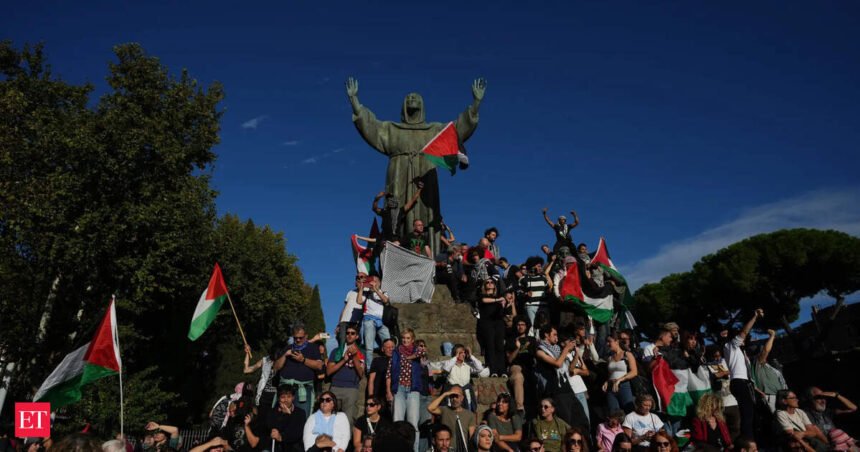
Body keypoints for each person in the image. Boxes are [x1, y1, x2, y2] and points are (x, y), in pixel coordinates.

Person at [536, 326, 587, 429]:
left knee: (581, 420)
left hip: (568, 389)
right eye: (554, 334)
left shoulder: (557, 349)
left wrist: (576, 354)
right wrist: (566, 349)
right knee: (566, 422)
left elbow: (569, 368)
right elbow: (557, 364)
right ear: (546, 335)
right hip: (556, 392)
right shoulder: (540, 351)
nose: (557, 337)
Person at [724, 308, 764, 440]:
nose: (745, 338)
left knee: (752, 415)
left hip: (746, 383)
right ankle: (747, 442)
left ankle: (752, 441)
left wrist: (755, 388)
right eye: (741, 337)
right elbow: (744, 331)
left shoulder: (742, 352)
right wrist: (755, 317)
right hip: (738, 382)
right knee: (747, 415)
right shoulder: (731, 346)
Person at [387, 328, 427, 450]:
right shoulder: (396, 352)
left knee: (413, 422)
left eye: (408, 338)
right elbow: (389, 373)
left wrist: (410, 357)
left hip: (413, 389)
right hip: (399, 388)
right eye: (403, 338)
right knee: (397, 421)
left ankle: (414, 449)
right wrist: (388, 391)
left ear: (412, 339)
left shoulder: (417, 350)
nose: (405, 340)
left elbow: (422, 351)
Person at [274, 325, 324, 416]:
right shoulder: (288, 348)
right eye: (295, 338)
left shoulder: (313, 348)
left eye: (300, 338)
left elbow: (319, 366)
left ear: (306, 336)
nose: (297, 340)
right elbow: (276, 367)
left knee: (302, 417)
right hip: (285, 390)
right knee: (281, 416)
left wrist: (303, 360)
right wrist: (285, 355)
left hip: (303, 390)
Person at [326, 324, 365, 425]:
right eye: (347, 333)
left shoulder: (361, 353)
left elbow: (361, 373)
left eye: (353, 333)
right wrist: (344, 360)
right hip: (335, 387)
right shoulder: (336, 351)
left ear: (357, 336)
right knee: (330, 419)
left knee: (349, 421)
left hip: (351, 389)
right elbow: (329, 371)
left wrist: (355, 356)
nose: (349, 335)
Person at [804, 386, 858, 451]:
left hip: (841, 446)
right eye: (819, 398)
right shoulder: (805, 414)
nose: (823, 401)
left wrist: (837, 395)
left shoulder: (827, 412)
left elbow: (853, 408)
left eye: (824, 398)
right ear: (810, 399)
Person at [427, 386, 476, 452]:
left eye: (456, 396)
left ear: (462, 398)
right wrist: (445, 394)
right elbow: (430, 408)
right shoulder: (444, 410)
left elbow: (471, 437)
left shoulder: (469, 415)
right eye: (452, 396)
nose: (454, 399)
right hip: (446, 449)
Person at [357, 275, 390, 369]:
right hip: (368, 319)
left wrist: (375, 289)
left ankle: (390, 365)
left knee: (388, 342)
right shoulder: (367, 293)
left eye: (375, 281)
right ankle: (369, 369)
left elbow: (385, 300)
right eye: (371, 280)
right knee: (369, 347)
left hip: (380, 321)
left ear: (379, 283)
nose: (372, 282)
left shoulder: (383, 292)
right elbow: (359, 301)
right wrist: (361, 288)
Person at [750, 329, 787, 413]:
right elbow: (766, 350)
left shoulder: (770, 366)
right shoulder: (757, 363)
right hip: (772, 397)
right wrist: (772, 336)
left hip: (782, 396)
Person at [506, 315, 537, 416]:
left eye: (522, 324)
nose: (520, 326)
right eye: (518, 324)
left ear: (526, 326)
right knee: (518, 376)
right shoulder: (511, 340)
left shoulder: (532, 340)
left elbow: (536, 355)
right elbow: (510, 360)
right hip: (516, 366)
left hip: (529, 366)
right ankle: (519, 408)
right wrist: (517, 349)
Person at [477, 278, 508, 376]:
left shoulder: (499, 297)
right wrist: (498, 300)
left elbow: (503, 309)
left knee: (500, 346)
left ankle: (502, 370)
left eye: (492, 282)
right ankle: (493, 370)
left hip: (498, 323)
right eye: (487, 282)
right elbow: (484, 300)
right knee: (490, 346)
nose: (490, 284)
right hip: (487, 323)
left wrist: (504, 303)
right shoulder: (482, 296)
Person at [441, 344, 486, 411]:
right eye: (460, 352)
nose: (463, 354)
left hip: (465, 395)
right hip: (453, 395)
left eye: (464, 352)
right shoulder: (449, 364)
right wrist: (455, 357)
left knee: (466, 413)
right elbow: (445, 369)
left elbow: (480, 368)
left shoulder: (468, 365)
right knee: (451, 413)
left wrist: (470, 355)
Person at [603, 333, 638, 414]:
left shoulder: (627, 354)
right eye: (607, 342)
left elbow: (634, 372)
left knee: (629, 412)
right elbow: (610, 374)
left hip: (624, 385)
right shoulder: (610, 358)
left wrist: (620, 380)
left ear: (617, 341)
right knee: (613, 414)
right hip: (611, 387)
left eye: (609, 341)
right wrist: (607, 381)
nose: (607, 344)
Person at [267, 385, 306, 452]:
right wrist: (284, 415)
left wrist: (281, 437)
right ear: (279, 398)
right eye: (283, 397)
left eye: (289, 397)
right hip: (276, 447)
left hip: (293, 447)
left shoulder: (300, 413)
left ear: (293, 397)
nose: (286, 400)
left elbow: (298, 433)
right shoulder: (272, 412)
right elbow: (272, 428)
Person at [244, 343, 280, 409]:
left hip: (278, 396)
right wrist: (247, 353)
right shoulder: (265, 360)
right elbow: (246, 370)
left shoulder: (284, 361)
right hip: (263, 396)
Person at [520, 256, 550, 329]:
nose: (540, 268)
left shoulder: (543, 278)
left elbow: (548, 290)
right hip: (530, 306)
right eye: (538, 266)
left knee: (544, 327)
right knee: (532, 326)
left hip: (543, 306)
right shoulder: (523, 279)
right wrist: (526, 294)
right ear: (532, 267)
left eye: (541, 266)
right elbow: (518, 292)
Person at [367, 338, 395, 417]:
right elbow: (371, 380)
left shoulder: (398, 361)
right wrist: (371, 397)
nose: (390, 349)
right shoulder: (377, 360)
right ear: (383, 349)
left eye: (392, 347)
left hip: (394, 395)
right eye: (388, 347)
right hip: (379, 395)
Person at [337, 275, 366, 347]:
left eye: (361, 281)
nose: (359, 282)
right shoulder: (350, 292)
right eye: (358, 281)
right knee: (341, 340)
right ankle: (342, 353)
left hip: (356, 321)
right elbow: (345, 308)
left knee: (356, 342)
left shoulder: (367, 293)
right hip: (344, 321)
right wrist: (339, 324)